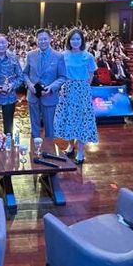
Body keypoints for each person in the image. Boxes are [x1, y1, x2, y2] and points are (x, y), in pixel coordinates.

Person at [54, 28, 99, 165]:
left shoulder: (88, 56)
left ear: (82, 41)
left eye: (78, 39)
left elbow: (91, 74)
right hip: (67, 90)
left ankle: (80, 151)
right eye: (73, 39)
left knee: (81, 121)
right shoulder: (63, 55)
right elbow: (60, 73)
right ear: (69, 41)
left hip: (82, 91)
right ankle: (70, 146)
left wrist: (83, 87)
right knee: (68, 118)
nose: (75, 41)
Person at [22, 29, 66, 138]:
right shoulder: (30, 55)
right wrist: (30, 85)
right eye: (40, 39)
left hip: (49, 96)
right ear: (36, 40)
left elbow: (62, 77)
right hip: (33, 96)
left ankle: (49, 147)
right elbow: (25, 74)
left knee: (50, 129)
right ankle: (35, 148)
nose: (42, 41)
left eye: (45, 39)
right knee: (34, 128)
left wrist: (51, 87)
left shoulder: (58, 56)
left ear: (50, 39)